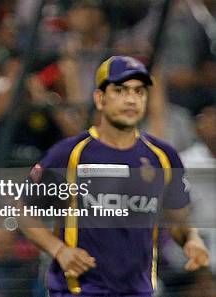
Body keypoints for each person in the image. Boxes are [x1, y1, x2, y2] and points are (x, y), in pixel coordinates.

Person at [19, 56, 210, 296]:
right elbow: (22, 211)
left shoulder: (164, 157)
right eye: (120, 90)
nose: (130, 99)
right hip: (79, 291)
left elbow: (178, 221)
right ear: (100, 99)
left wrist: (191, 240)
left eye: (139, 91)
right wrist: (59, 250)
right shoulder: (69, 154)